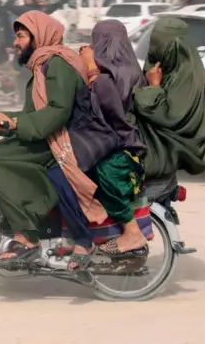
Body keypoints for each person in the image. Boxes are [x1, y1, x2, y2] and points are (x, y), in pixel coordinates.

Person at [0, 11, 107, 263]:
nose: (16, 42)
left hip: (63, 139)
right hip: (48, 133)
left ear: (39, 36)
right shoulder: (43, 64)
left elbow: (57, 112)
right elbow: (35, 112)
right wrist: (0, 117)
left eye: (21, 36)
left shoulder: (58, 64)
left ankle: (26, 235)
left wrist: (16, 123)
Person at [79, 19, 149, 257]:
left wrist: (90, 67)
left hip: (121, 145)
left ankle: (131, 232)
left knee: (96, 172)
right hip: (126, 142)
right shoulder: (132, 69)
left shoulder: (107, 76)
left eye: (95, 41)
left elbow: (102, 108)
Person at [133, 17, 205, 180]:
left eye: (159, 44)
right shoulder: (161, 66)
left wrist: (154, 88)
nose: (155, 49)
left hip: (162, 166)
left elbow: (168, 118)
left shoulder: (186, 76)